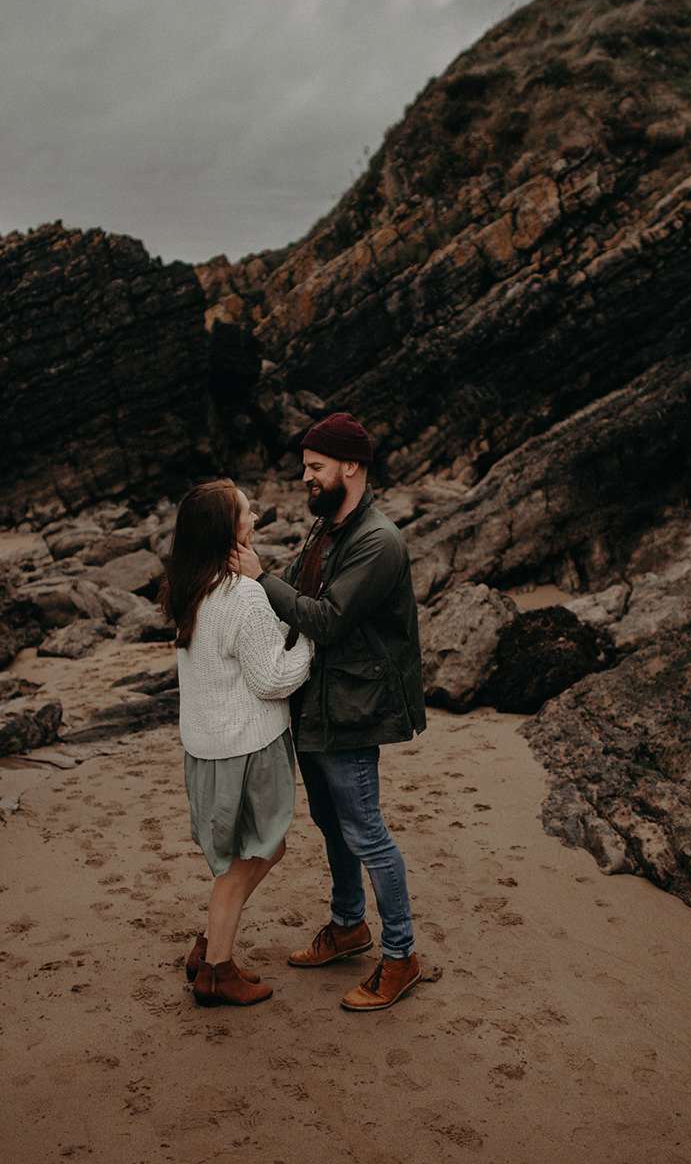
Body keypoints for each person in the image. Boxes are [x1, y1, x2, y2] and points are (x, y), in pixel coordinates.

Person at [232, 411, 428, 1012]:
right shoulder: (325, 531)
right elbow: (287, 596)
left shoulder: (378, 541)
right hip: (316, 704)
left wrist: (259, 574)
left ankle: (401, 957)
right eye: (305, 469)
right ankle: (349, 927)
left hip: (354, 707)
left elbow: (324, 619)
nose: (307, 479)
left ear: (352, 467)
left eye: (316, 468)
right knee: (331, 823)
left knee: (365, 830)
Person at [160, 478, 314, 1007]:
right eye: (247, 513)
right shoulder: (243, 595)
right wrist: (309, 635)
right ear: (226, 529)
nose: (255, 518)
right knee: (251, 856)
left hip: (204, 750)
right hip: (250, 747)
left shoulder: (189, 586)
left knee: (253, 852)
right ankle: (218, 971)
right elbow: (272, 680)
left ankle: (210, 943)